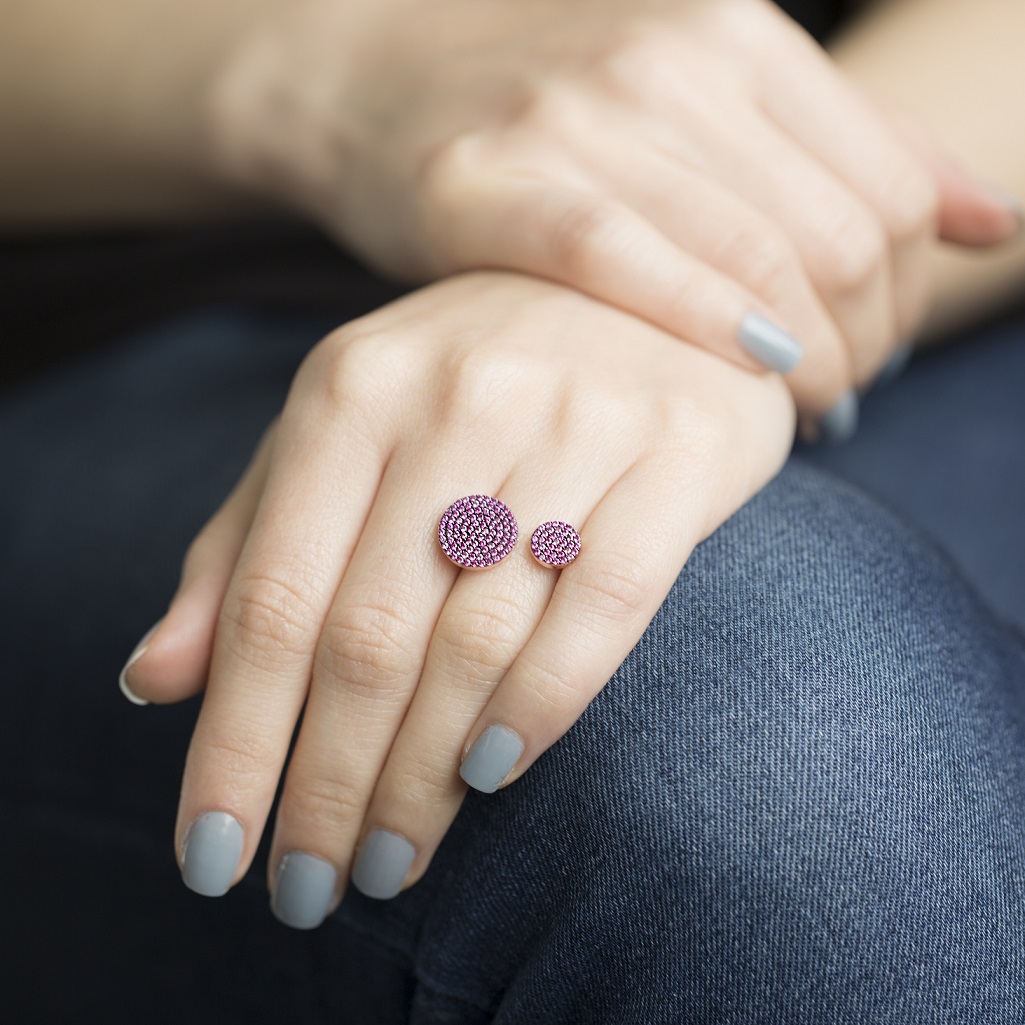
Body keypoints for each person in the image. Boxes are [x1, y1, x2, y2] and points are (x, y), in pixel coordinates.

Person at [2, 0, 1024, 1021]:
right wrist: (327, 77)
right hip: (143, 308)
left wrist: (691, 261)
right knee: (730, 713)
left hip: (895, 194)